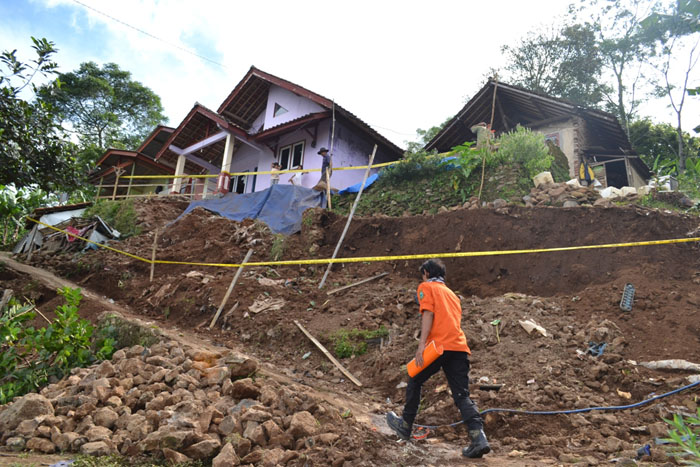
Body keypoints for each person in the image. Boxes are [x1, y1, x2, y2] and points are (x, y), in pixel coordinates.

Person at [386, 258, 490, 459]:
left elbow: (428, 314)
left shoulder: (426, 287)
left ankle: (405, 425)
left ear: (426, 272)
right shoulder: (452, 294)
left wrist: (421, 345)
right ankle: (479, 439)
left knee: (414, 378)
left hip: (439, 347)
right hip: (458, 347)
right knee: (462, 395)